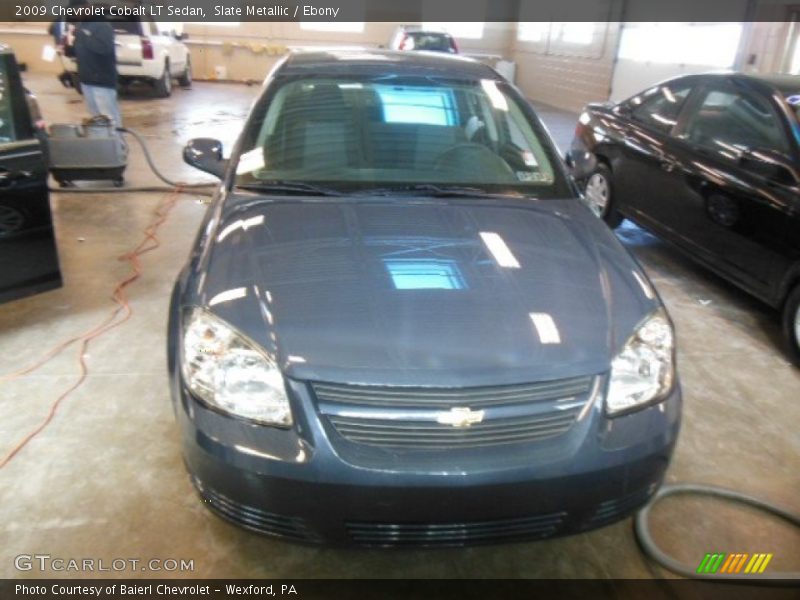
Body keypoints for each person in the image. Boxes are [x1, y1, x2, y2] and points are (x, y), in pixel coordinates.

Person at [73, 14, 122, 127]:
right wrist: (67, 49)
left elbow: (104, 48)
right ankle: (102, 142)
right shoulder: (81, 26)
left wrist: (82, 35)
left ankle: (117, 143)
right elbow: (80, 50)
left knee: (109, 118)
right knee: (96, 119)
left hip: (101, 81)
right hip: (86, 80)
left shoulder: (103, 27)